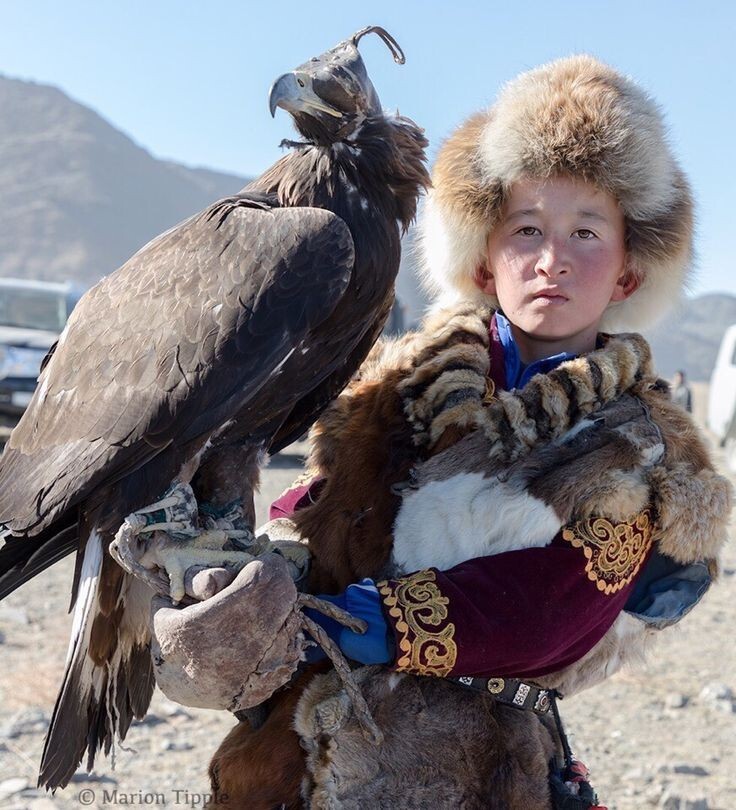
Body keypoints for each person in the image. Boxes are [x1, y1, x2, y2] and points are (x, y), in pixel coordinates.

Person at [207, 56, 731, 809]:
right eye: (526, 230)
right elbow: (320, 502)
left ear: (628, 274)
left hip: (474, 766)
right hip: (294, 748)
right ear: (484, 260)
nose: (552, 260)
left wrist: (380, 619)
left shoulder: (643, 446)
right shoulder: (390, 384)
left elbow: (552, 612)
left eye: (586, 232)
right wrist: (259, 576)